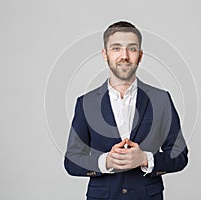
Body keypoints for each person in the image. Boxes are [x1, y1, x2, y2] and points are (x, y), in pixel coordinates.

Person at [64, 21, 188, 200]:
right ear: (105, 54)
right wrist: (104, 162)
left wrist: (145, 159)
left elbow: (180, 156)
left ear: (140, 55)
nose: (124, 56)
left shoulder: (161, 100)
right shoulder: (86, 103)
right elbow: (71, 161)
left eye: (132, 49)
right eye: (116, 48)